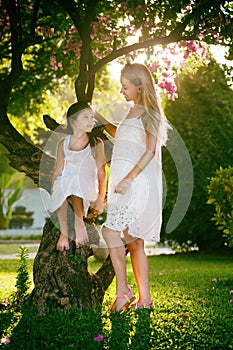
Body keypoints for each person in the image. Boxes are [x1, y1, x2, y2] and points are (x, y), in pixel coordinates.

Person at [95, 62, 170, 312]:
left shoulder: (149, 113)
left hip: (135, 183)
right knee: (134, 241)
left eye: (125, 87)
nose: (121, 91)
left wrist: (129, 177)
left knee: (109, 232)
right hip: (123, 183)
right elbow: (123, 136)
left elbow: (150, 150)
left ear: (140, 86)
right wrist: (100, 119)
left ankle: (122, 291)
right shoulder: (132, 111)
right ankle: (144, 299)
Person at [49, 101, 106, 251]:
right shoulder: (63, 143)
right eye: (85, 117)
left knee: (73, 179)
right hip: (68, 183)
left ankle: (79, 222)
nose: (91, 121)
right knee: (62, 181)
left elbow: (102, 173)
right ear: (73, 121)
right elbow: (58, 170)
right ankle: (64, 233)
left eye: (92, 117)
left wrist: (100, 199)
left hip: (87, 185)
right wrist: (54, 189)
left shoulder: (96, 143)